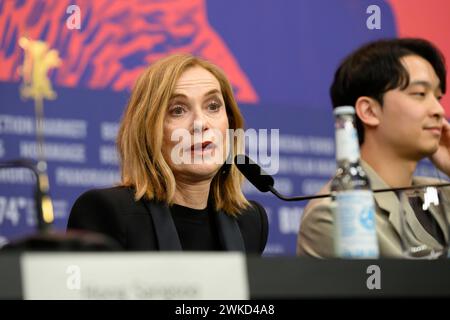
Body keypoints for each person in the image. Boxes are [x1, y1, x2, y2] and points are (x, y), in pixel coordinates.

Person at [67, 53, 268, 254]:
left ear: (230, 124)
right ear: (147, 130)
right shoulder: (107, 212)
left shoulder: (250, 222)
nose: (200, 124)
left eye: (213, 106)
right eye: (178, 110)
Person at [297, 38, 450, 258]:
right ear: (369, 111)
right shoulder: (335, 214)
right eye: (420, 94)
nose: (438, 110)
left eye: (438, 97)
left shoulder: (442, 194)